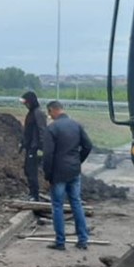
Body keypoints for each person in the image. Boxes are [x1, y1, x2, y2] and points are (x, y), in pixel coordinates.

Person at [42, 100, 93, 250]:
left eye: (49, 113)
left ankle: (60, 242)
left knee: (57, 206)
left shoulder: (52, 128)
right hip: (74, 170)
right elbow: (88, 145)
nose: (49, 116)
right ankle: (83, 240)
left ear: (53, 110)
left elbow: (48, 155)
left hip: (58, 173)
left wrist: (47, 174)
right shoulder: (76, 125)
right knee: (76, 203)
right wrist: (78, 160)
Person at [19, 90, 47, 201]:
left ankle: (34, 196)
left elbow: (42, 131)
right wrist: (23, 143)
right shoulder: (31, 113)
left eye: (26, 102)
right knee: (27, 169)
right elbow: (28, 131)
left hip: (35, 147)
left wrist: (41, 148)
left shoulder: (38, 113)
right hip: (30, 146)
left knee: (32, 171)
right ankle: (32, 193)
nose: (25, 105)